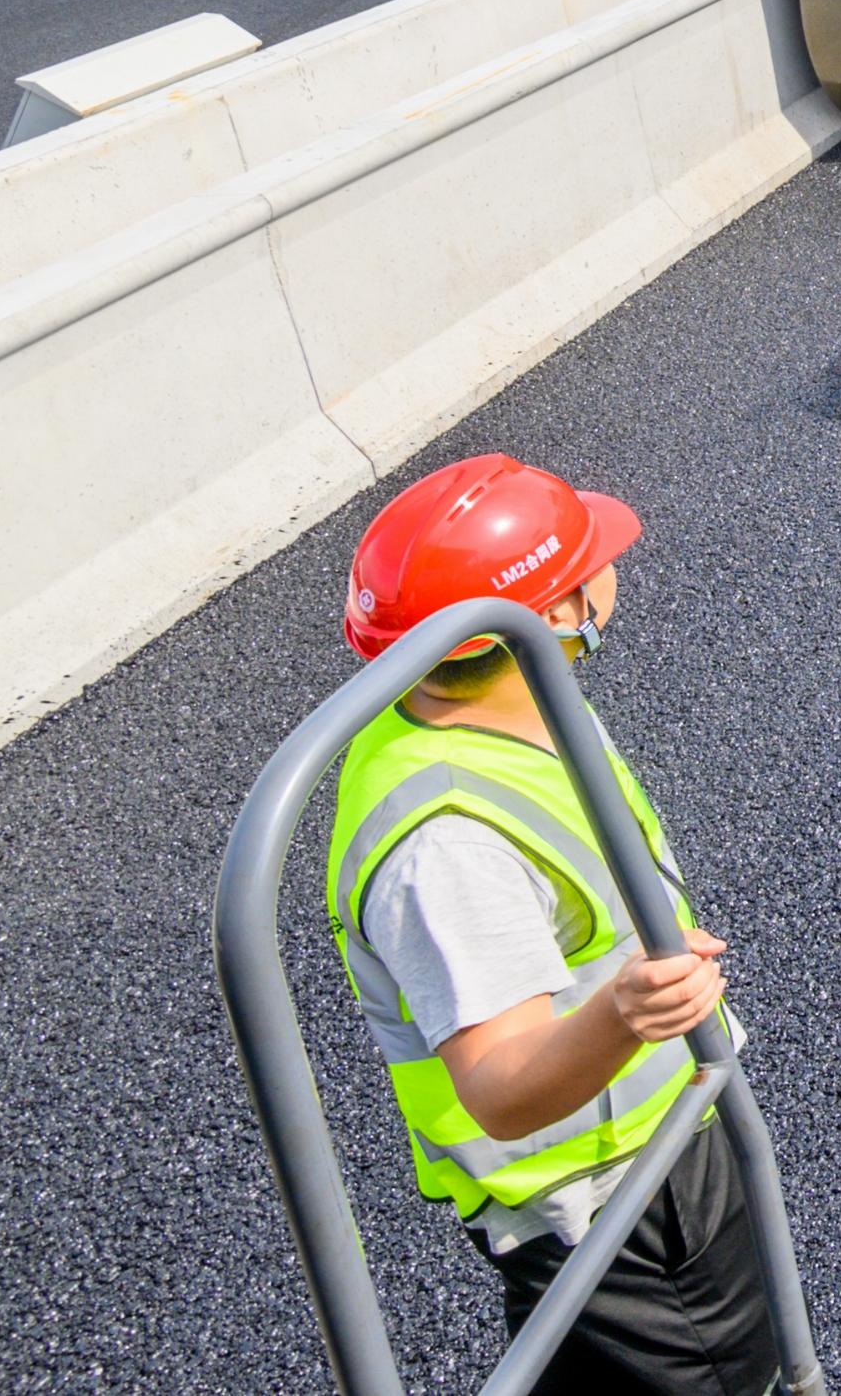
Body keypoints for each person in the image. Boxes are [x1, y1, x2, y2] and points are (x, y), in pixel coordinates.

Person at [323, 457, 786, 1396]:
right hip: (616, 1204)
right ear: (563, 613)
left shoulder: (506, 706)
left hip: (660, 1138)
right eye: (591, 560)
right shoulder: (446, 847)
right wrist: (625, 1012)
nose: (612, 567)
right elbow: (497, 1085)